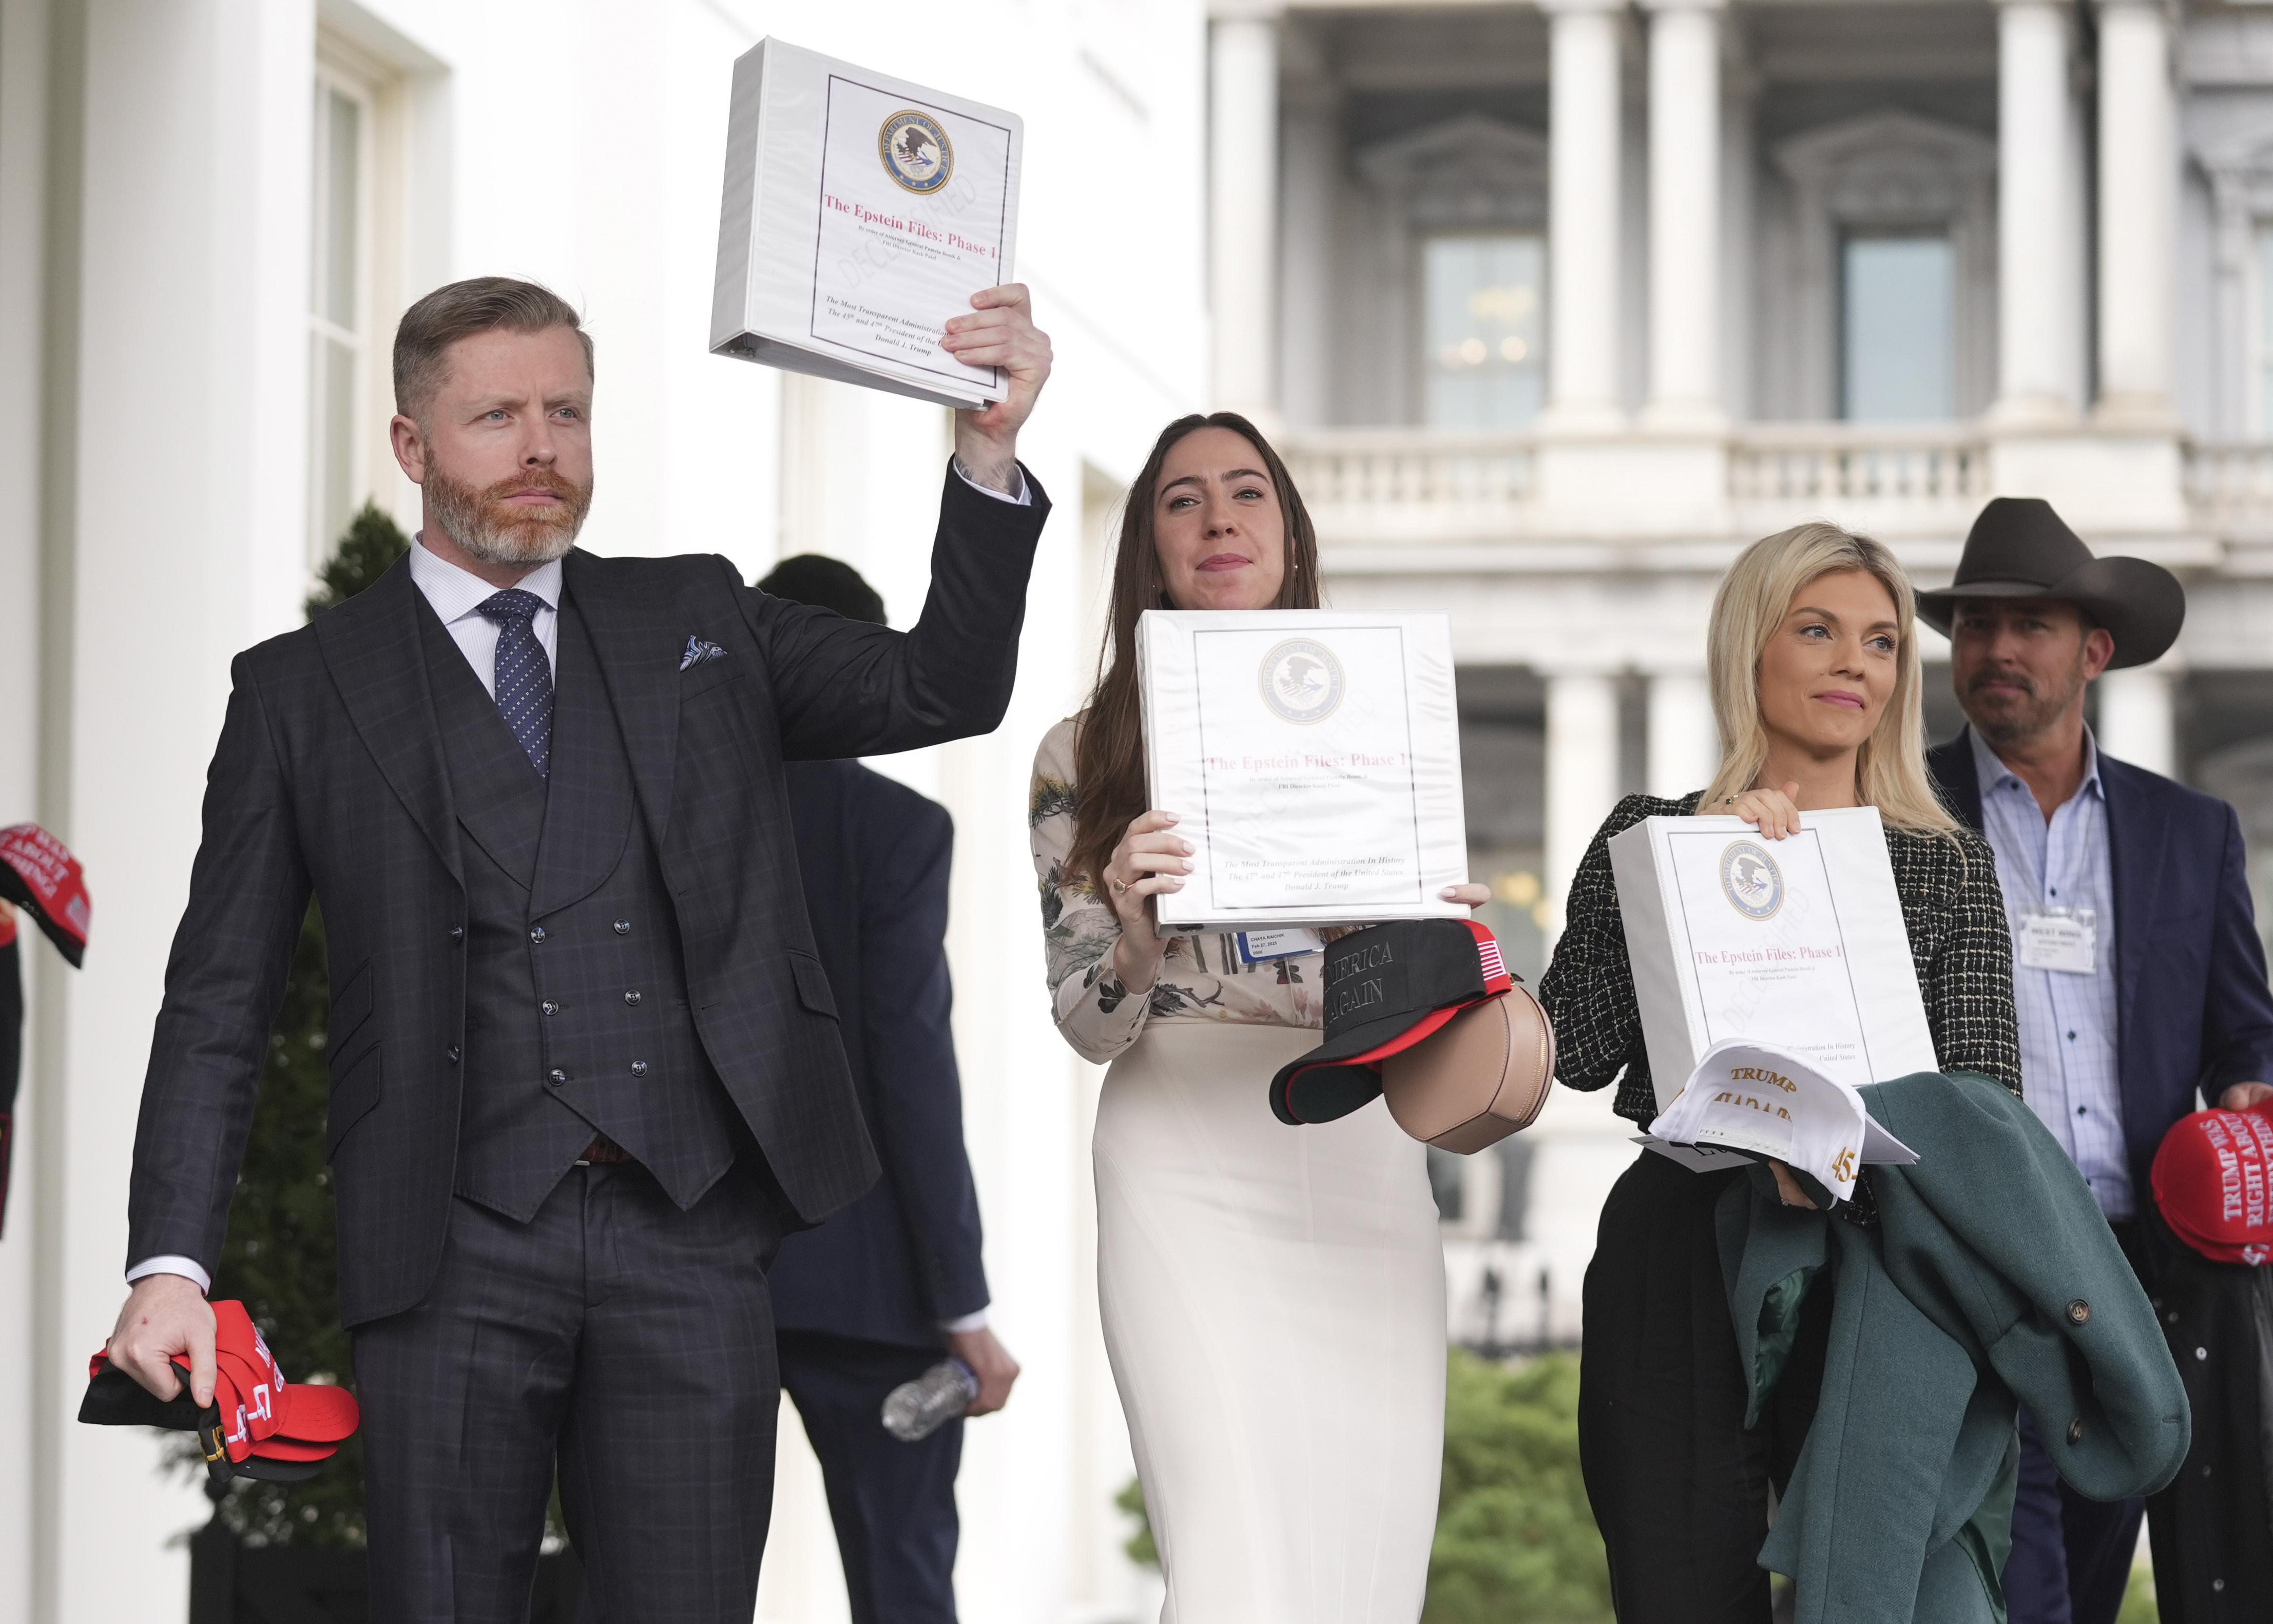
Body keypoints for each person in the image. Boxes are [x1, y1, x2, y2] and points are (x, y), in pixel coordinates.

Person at [104, 274, 1052, 1623]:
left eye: (567, 410)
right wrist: (170, 1266)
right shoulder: (302, 694)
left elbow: (939, 686)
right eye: (496, 415)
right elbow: (218, 999)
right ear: (412, 444)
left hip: (691, 1233)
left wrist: (986, 451)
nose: (542, 445)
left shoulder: (701, 620)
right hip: (446, 1245)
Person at [1028, 411, 1488, 1622]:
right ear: (1149, 547)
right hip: (1181, 1154)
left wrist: (1444, 929)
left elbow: (1439, 991)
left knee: (1365, 1570)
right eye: (1184, 500)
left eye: (1247, 494)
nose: (1220, 519)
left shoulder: (1380, 721)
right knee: (1232, 1567)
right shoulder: (1084, 751)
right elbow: (1085, 1023)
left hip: (1356, 1145)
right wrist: (1133, 930)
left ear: (1290, 533)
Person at [1539, 521, 2022, 1622]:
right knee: (1678, 1594)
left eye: (1882, 641)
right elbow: (1571, 1043)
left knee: (1887, 1594)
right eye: (1818, 630)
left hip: (1886, 1266)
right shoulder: (1656, 834)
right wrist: (1697, 875)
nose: (1857, 661)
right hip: (1681, 1254)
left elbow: (1989, 1113)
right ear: (1750, 648)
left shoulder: (1945, 863)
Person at [1916, 496, 2273, 1624]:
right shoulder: (1901, 814)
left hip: (2141, 1271)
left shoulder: (2191, 829)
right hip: (1971, 1262)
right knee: (2014, 1574)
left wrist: (2249, 1100)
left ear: (2094, 650)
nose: (1996, 650)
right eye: (1976, 624)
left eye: (2029, 624)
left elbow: (2246, 1029)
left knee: (2088, 1571)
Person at [756, 552, 1016, 1624]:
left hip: (677, 1268)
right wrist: (961, 1298)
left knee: (660, 1577)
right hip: (865, 1279)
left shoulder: (651, 808)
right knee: (902, 1583)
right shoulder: (897, 830)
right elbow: (910, 1066)